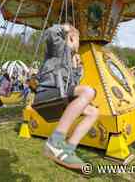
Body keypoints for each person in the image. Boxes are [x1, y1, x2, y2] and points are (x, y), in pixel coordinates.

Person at [36, 23, 98, 170]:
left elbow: (71, 85)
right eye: (78, 39)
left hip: (61, 94)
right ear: (71, 38)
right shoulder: (59, 48)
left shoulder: (71, 58)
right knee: (88, 91)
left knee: (93, 112)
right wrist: (64, 28)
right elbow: (50, 33)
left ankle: (67, 150)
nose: (79, 43)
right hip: (47, 92)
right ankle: (55, 142)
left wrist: (77, 69)